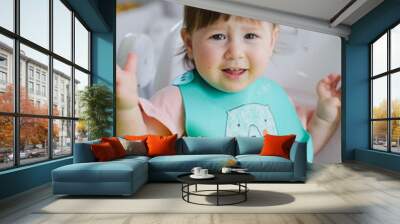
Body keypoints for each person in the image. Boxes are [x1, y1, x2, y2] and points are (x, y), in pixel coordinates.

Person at [116, 6, 341, 161]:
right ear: (189, 43)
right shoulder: (178, 100)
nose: (235, 52)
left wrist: (324, 117)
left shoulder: (276, 96)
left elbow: (304, 152)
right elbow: (139, 149)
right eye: (218, 37)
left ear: (272, 40)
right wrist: (126, 108)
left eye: (250, 36)